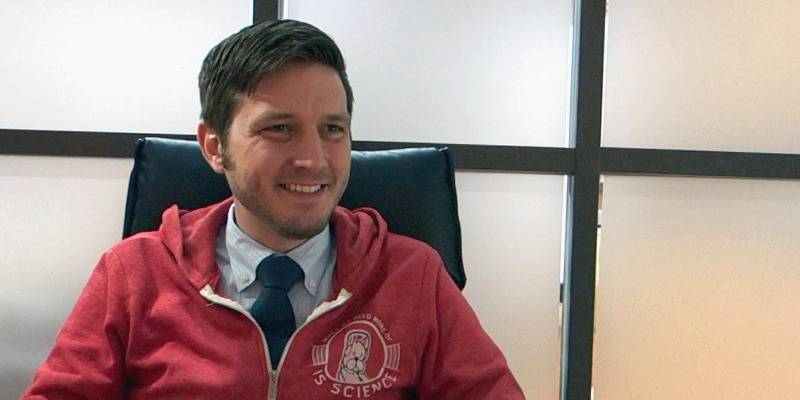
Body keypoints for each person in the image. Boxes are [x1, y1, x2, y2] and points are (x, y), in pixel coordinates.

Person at [22, 20, 524, 399]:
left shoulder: (413, 277)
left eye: (332, 129)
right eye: (279, 129)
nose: (314, 159)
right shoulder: (134, 274)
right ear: (215, 146)